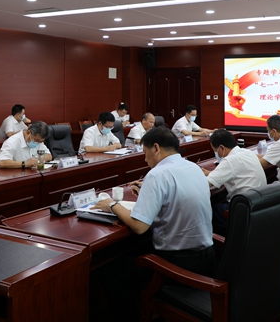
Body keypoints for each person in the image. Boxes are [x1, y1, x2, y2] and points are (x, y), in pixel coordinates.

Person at [92, 127, 215, 321]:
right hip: (207, 259)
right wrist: (149, 194)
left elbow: (139, 227)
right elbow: (176, 199)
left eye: (145, 152)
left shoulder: (157, 174)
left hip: (178, 266)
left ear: (156, 148)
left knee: (110, 269)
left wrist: (112, 205)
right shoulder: (193, 167)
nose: (144, 159)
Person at [201, 129, 267, 234]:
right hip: (259, 204)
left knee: (211, 211)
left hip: (243, 209)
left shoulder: (229, 160)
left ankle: (221, 242)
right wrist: (210, 173)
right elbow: (235, 171)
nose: (216, 153)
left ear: (222, 148)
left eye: (215, 150)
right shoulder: (247, 152)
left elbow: (204, 184)